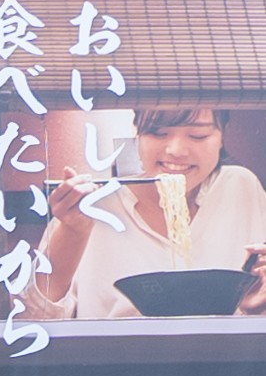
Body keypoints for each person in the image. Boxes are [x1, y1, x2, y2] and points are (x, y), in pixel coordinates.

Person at [24, 101, 266, 321]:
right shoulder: (96, 204)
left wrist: (256, 305)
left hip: (225, 363)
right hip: (117, 364)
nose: (176, 150)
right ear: (137, 132)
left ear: (222, 137)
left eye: (198, 135)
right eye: (158, 132)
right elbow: (34, 319)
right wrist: (73, 231)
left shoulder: (240, 187)